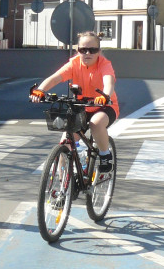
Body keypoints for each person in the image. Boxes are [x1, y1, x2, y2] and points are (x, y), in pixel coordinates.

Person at [29, 31, 119, 173]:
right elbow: (55, 78)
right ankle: (61, 189)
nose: (87, 53)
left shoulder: (104, 64)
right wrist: (40, 90)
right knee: (65, 143)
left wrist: (105, 96)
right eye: (83, 50)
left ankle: (104, 154)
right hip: (81, 107)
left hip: (104, 106)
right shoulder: (74, 64)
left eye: (93, 50)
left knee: (95, 123)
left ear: (99, 51)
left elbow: (109, 83)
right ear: (78, 50)